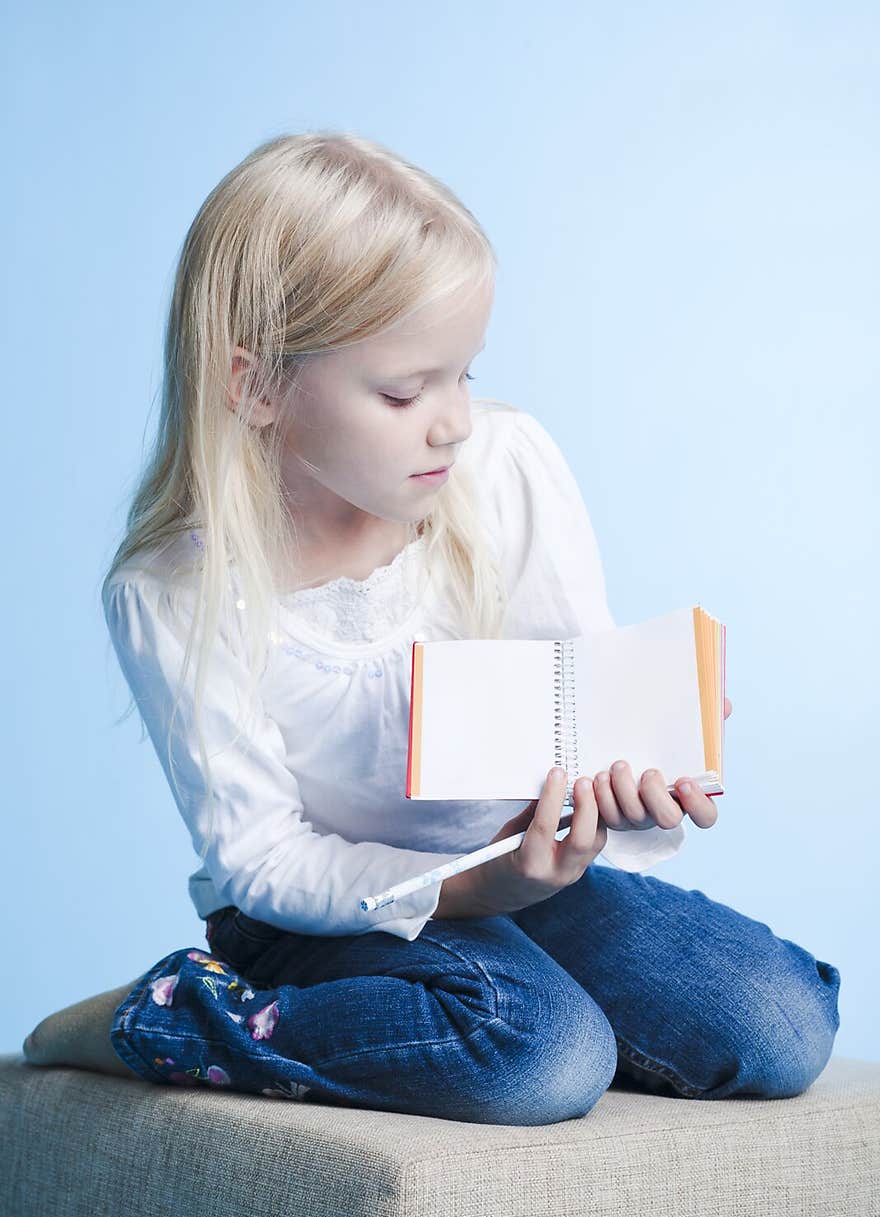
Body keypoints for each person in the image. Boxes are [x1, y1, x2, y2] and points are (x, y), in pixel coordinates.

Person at [22, 130, 840, 1125]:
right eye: (405, 391)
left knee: (784, 1024)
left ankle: (453, 1008)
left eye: (464, 374)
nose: (452, 420)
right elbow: (269, 861)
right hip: (317, 910)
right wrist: (470, 891)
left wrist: (637, 758)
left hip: (519, 868)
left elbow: (573, 702)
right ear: (256, 387)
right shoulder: (176, 591)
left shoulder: (502, 464)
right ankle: (166, 1017)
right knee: (542, 1051)